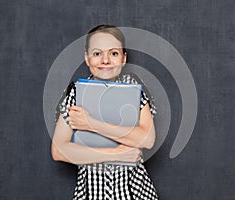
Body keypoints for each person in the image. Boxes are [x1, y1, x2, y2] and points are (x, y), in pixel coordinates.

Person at [51, 25, 159, 200]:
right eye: (97, 53)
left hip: (134, 193)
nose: (105, 60)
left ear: (124, 58)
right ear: (87, 59)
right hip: (91, 194)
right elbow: (59, 151)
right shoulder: (75, 92)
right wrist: (117, 154)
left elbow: (147, 139)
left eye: (114, 53)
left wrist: (91, 123)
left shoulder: (135, 88)